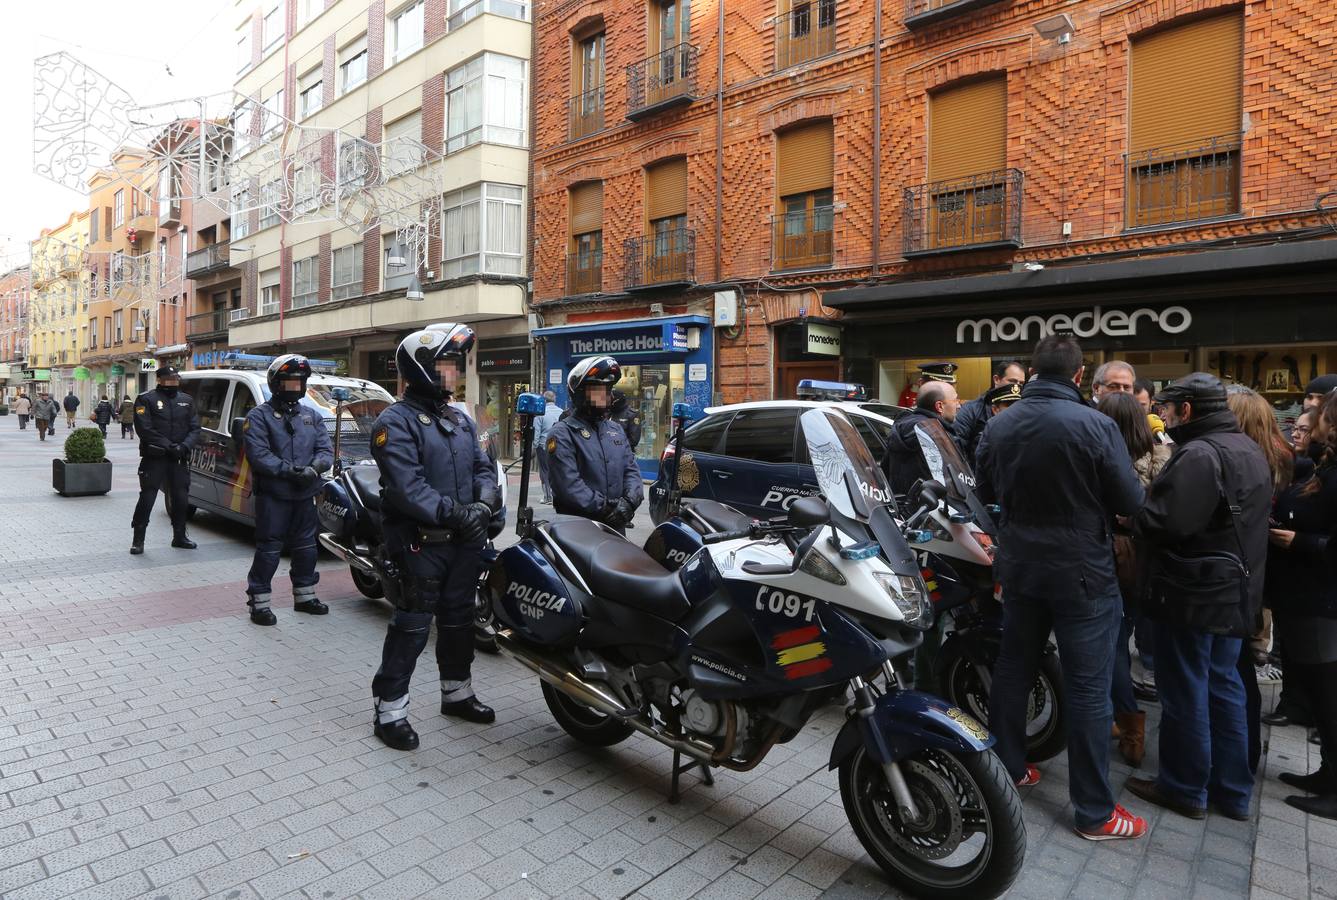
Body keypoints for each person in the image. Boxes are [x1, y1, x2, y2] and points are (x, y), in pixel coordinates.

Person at [976, 334, 1148, 841]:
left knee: (1014, 668)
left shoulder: (1000, 423)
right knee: (1089, 689)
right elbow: (1131, 499)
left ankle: (1008, 765)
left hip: (1022, 567)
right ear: (1078, 377)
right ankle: (1094, 812)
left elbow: (985, 491)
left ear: (1032, 372)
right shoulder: (1095, 424)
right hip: (1082, 572)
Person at [1127, 373, 1271, 822]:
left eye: (1169, 408)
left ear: (1187, 410)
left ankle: (1185, 786)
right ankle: (1232, 791)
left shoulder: (1199, 453)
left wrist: (1138, 511)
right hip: (1231, 591)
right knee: (1223, 687)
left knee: (1187, 690)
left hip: (1195, 593)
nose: (1163, 416)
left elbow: (1167, 523)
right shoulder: (1245, 446)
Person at [370, 323, 499, 750]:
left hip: (463, 541)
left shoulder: (459, 418)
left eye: (455, 365)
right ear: (422, 368)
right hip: (420, 543)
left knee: (459, 620)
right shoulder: (395, 421)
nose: (453, 372)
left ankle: (456, 693)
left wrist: (482, 506)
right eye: (445, 364)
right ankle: (390, 710)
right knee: (412, 625)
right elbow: (407, 487)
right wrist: (459, 515)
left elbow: (484, 467)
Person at [1269, 392, 1337, 820]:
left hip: (1321, 600)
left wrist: (1302, 542)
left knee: (1328, 696)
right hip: (1304, 594)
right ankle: (1327, 774)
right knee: (1318, 691)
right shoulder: (1325, 463)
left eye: (1323, 417)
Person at [1097, 392, 1170, 768]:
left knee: (1112, 645)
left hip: (1112, 556)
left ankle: (1128, 723)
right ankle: (1123, 720)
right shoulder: (1164, 456)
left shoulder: (1105, 456)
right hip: (1149, 560)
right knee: (1126, 638)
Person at [1226, 387, 1296, 773]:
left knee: (1232, 674)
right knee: (1238, 671)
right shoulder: (1282, 456)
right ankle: (1246, 752)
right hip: (1261, 570)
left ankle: (1241, 756)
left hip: (1240, 572)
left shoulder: (1244, 461)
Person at [242, 355, 334, 626]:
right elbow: (258, 455)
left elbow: (325, 450)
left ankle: (305, 597)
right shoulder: (258, 417)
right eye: (289, 381)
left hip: (305, 494)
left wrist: (314, 469)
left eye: (299, 382)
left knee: (307, 548)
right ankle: (259, 602)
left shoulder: (312, 416)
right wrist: (291, 471)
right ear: (276, 384)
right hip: (274, 495)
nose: (294, 386)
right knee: (270, 549)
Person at [1263, 404, 1320, 731]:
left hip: (1313, 577)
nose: (1295, 434)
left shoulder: (1321, 472)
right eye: (1294, 428)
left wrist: (1301, 541)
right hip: (1290, 576)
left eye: (1305, 430)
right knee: (1293, 648)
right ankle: (1294, 704)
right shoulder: (1295, 467)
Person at [547, 356, 643, 533]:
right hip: (579, 531)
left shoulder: (616, 429)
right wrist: (607, 508)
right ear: (580, 393)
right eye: (598, 389)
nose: (606, 395)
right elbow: (569, 486)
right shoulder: (562, 433)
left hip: (616, 528)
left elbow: (631, 471)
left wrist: (629, 502)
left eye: (608, 389)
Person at [130, 367, 201, 555]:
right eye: (168, 379)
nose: (172, 382)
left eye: (175, 379)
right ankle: (138, 539)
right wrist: (169, 446)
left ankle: (179, 536)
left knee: (180, 498)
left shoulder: (186, 400)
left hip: (178, 458)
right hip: (155, 457)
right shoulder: (146, 399)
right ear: (159, 380)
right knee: (147, 497)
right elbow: (144, 428)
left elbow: (195, 428)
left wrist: (184, 447)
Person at [883, 381, 962, 500]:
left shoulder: (903, 428)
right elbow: (952, 480)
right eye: (955, 400)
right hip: (934, 510)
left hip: (905, 508)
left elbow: (886, 467)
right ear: (939, 406)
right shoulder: (936, 435)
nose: (959, 405)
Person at [954, 360, 1026, 461]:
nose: (1016, 387)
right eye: (1012, 381)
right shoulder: (972, 410)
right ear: (996, 379)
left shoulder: (1025, 411)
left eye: (1021, 383)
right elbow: (957, 449)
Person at [533, 390, 562, 505]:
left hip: (544, 445)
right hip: (559, 445)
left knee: (544, 471)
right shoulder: (561, 412)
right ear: (554, 400)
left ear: (544, 400)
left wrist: (534, 446)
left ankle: (548, 497)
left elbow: (536, 432)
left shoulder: (540, 413)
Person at [1134, 377, 1170, 443]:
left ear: (1152, 402)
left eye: (1142, 405)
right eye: (1133, 404)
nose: (1136, 409)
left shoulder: (1163, 424)